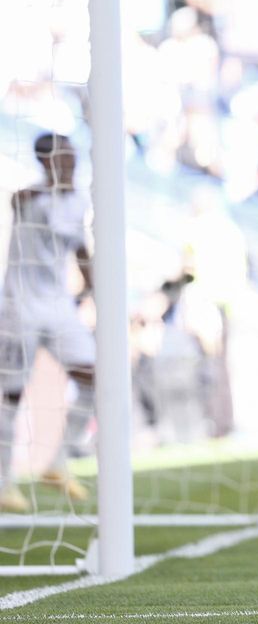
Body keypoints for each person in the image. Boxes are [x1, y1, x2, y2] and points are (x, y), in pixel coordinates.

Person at [0, 133, 94, 512]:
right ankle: (4, 483)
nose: (71, 162)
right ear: (45, 161)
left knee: (94, 375)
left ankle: (57, 463)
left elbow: (81, 249)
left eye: (72, 155)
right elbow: (17, 200)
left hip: (58, 305)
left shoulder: (78, 200)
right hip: (19, 305)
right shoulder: (31, 197)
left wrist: (94, 291)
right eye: (62, 157)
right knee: (11, 395)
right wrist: (47, 189)